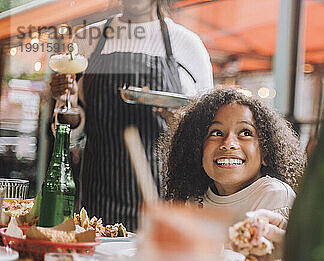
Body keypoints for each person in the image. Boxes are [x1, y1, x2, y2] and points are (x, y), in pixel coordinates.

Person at [49, 0, 213, 231]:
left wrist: (178, 121)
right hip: (100, 190)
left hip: (163, 194)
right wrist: (67, 101)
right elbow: (69, 132)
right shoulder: (87, 39)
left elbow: (208, 131)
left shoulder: (188, 45)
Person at [161, 88, 305, 224]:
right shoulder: (194, 201)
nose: (228, 143)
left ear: (265, 154)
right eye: (216, 133)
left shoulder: (274, 196)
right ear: (197, 149)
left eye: (245, 133)